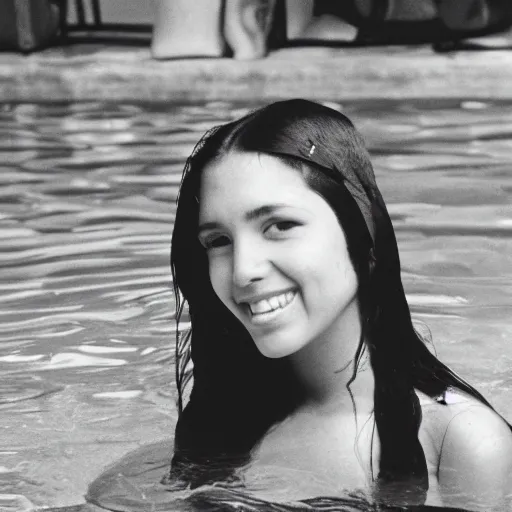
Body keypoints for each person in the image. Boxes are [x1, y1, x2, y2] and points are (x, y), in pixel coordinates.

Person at [167, 99, 512, 510]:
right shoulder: (223, 419)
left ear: (363, 233)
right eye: (218, 241)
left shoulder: (461, 441)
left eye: (279, 226)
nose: (243, 271)